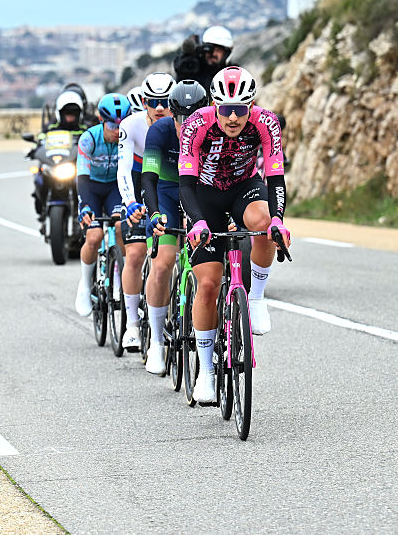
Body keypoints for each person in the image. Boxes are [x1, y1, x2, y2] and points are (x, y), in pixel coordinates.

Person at [178, 66, 291, 404]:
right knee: (209, 284)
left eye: (240, 110)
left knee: (264, 224)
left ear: (251, 106)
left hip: (244, 187)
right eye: (225, 109)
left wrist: (279, 221)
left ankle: (254, 298)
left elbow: (275, 178)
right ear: (214, 104)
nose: (232, 118)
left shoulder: (266, 123)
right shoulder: (196, 125)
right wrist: (197, 221)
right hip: (204, 195)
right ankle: (207, 374)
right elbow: (185, 184)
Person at [140, 80, 208, 374]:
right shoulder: (160, 131)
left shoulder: (215, 132)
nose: (187, 126)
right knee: (164, 261)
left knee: (208, 268)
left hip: (199, 192)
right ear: (172, 115)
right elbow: (149, 178)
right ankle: (156, 341)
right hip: (167, 193)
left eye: (194, 119)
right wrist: (154, 214)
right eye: (181, 119)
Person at [116, 71, 175, 351]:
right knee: (137, 252)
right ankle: (131, 325)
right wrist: (130, 203)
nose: (160, 107)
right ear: (144, 101)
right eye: (154, 101)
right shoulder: (131, 125)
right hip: (139, 178)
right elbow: (124, 168)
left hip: (169, 181)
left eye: (165, 100)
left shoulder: (181, 124)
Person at [74, 93, 131, 316]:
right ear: (100, 120)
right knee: (94, 236)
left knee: (120, 227)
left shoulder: (128, 138)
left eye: (122, 124)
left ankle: (120, 276)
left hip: (115, 189)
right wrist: (86, 206)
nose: (117, 131)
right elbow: (82, 177)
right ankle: (85, 285)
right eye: (112, 125)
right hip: (93, 188)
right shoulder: (89, 139)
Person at [32, 89, 89, 217]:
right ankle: (41, 204)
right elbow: (41, 140)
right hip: (53, 163)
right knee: (39, 177)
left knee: (85, 182)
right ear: (59, 112)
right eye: (66, 112)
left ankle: (83, 209)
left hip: (74, 164)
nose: (70, 115)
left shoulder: (85, 128)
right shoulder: (50, 127)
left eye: (73, 112)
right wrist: (35, 149)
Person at [172, 25, 233, 94]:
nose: (213, 54)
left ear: (226, 53)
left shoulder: (231, 74)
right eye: (210, 49)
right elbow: (180, 69)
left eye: (218, 51)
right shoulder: (194, 67)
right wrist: (188, 56)